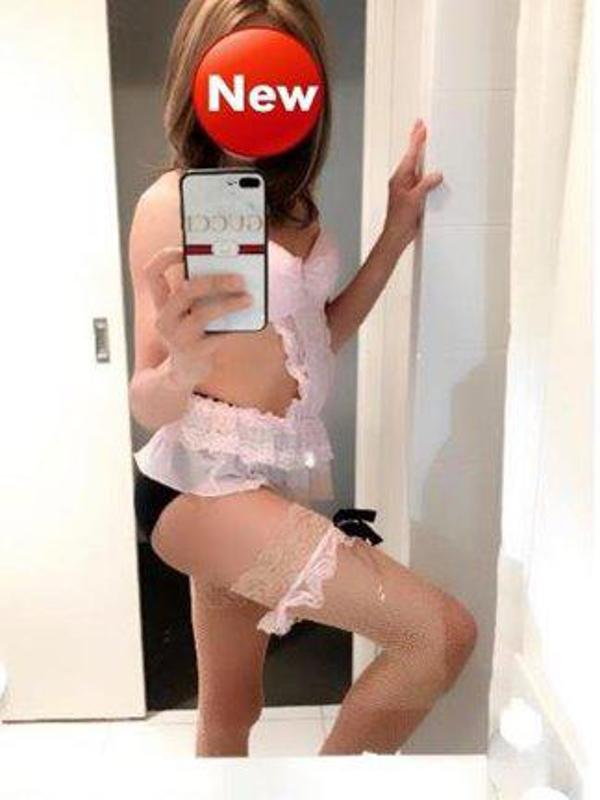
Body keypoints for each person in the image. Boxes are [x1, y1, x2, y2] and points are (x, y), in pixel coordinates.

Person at [128, 0, 477, 758]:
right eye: (239, 69)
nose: (257, 90)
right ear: (202, 75)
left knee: (233, 708)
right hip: (199, 486)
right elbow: (146, 397)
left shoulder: (294, 207)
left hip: (268, 475)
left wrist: (394, 232)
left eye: (276, 72)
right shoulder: (172, 203)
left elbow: (323, 336)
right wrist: (182, 364)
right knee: (438, 633)